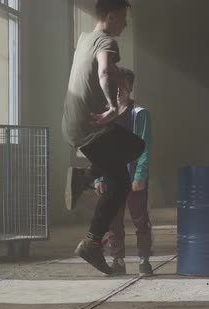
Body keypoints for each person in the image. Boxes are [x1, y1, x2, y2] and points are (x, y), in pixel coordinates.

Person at [62, 0, 145, 275]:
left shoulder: (87, 38)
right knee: (126, 170)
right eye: (123, 19)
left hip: (74, 124)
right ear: (111, 16)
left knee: (125, 162)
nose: (125, 25)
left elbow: (106, 70)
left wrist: (121, 80)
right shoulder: (107, 42)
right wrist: (112, 106)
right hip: (91, 128)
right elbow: (104, 71)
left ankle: (84, 180)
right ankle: (90, 241)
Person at [94, 68, 153, 277]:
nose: (118, 91)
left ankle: (144, 260)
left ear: (130, 88)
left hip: (132, 176)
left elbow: (144, 147)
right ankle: (118, 261)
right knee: (114, 222)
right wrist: (99, 177)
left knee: (140, 221)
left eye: (122, 86)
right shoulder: (105, 116)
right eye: (114, 86)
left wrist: (139, 176)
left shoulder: (139, 114)